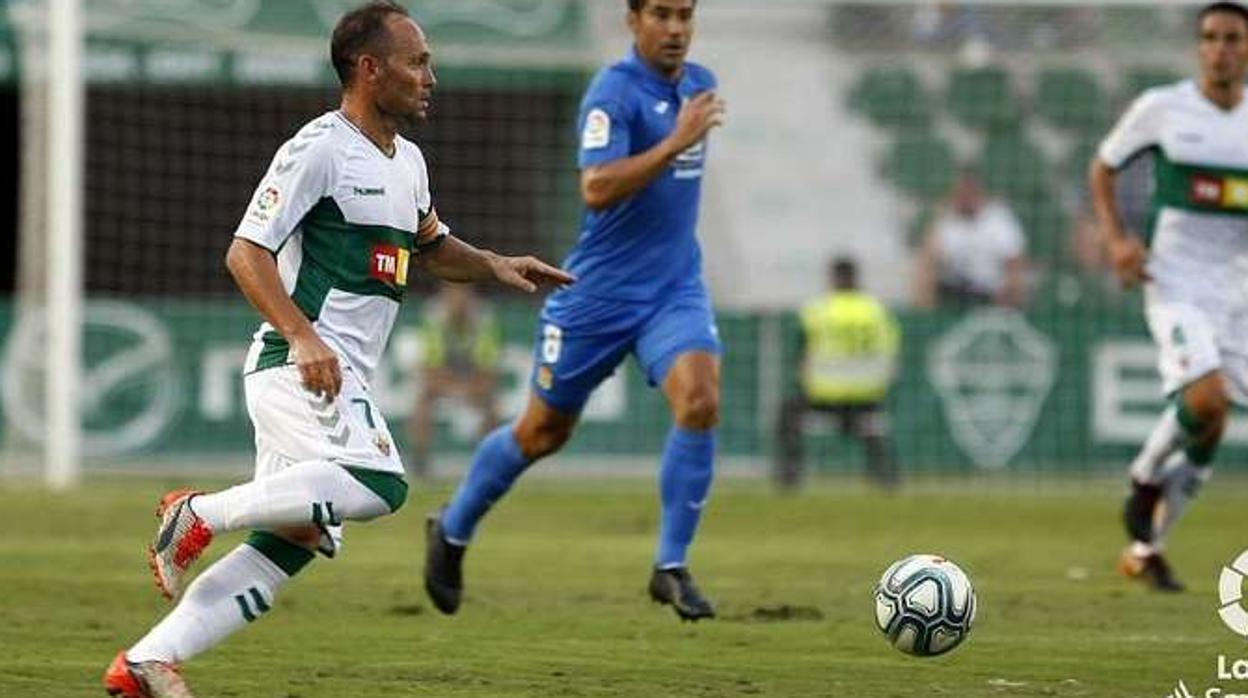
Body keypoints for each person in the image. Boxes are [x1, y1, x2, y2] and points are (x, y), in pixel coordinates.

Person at [102, 3, 572, 696]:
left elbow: (431, 247)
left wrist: (496, 263)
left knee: (298, 539)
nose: (430, 77)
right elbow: (245, 252)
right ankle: (195, 513)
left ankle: (144, 663)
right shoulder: (317, 148)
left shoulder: (407, 161)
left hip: (330, 373)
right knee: (380, 484)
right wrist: (301, 333)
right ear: (369, 68)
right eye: (417, 63)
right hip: (297, 368)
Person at [423, 0, 726, 622]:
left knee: (700, 400)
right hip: (595, 295)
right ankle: (451, 530)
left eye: (684, 16)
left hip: (674, 290)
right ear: (633, 21)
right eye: (661, 15)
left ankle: (670, 565)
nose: (675, 29)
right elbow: (596, 186)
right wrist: (675, 142)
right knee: (541, 433)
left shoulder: (700, 85)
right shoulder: (611, 93)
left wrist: (679, 136)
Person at [1089, 1, 1248, 592]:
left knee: (1213, 423)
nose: (1219, 49)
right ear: (1198, 47)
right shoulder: (1163, 109)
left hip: (1237, 290)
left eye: (1232, 38)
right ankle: (1142, 478)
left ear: (1247, 49)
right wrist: (1116, 240)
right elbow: (1103, 168)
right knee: (1205, 398)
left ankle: (1145, 547)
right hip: (1174, 279)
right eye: (1209, 37)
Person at [775, 257, 901, 491]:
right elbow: (890, 352)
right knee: (874, 426)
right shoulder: (877, 311)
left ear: (832, 278)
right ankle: (885, 477)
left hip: (824, 396)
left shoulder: (818, 310)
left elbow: (802, 355)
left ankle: (789, 476)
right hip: (868, 397)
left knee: (787, 413)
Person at [407, 283, 503, 477]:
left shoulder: (484, 318)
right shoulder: (434, 316)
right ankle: (420, 459)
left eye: (464, 295)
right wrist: (456, 387)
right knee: (423, 401)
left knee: (492, 404)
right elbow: (430, 368)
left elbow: (488, 368)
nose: (459, 302)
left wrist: (470, 388)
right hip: (444, 377)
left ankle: (491, 461)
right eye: (453, 295)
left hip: (471, 376)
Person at [913, 167, 1028, 309]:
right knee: (926, 275)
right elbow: (929, 258)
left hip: (989, 290)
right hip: (956, 289)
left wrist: (1010, 292)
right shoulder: (946, 222)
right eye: (959, 193)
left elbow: (1014, 262)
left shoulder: (999, 220)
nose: (964, 198)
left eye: (969, 192)